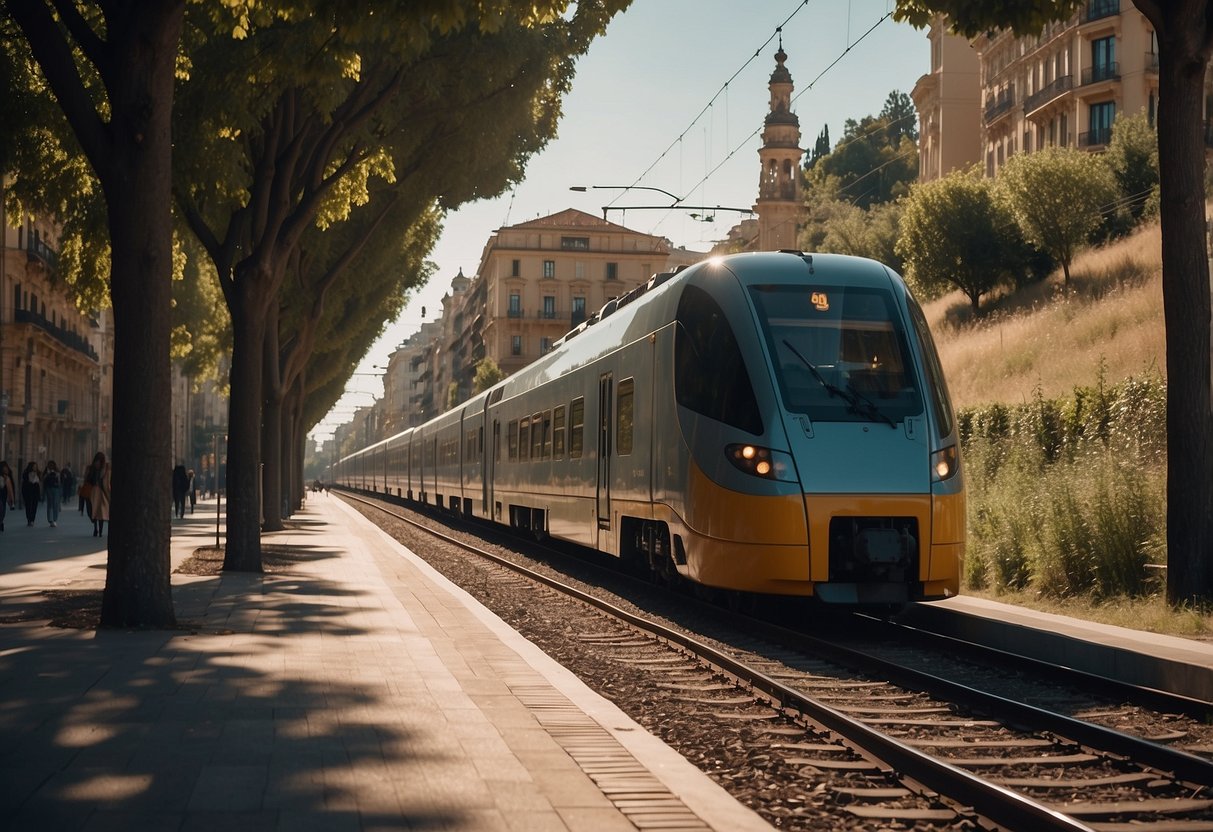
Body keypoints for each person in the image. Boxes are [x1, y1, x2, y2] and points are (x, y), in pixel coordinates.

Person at [90, 452, 110, 538]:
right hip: (97, 492)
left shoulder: (100, 469)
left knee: (97, 512)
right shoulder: (102, 469)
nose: (97, 463)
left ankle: (97, 530)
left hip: (97, 492)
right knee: (98, 512)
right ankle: (98, 530)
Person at [42, 460, 62, 528]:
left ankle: (54, 520)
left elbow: (59, 481)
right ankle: (51, 520)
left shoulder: (57, 472)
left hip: (56, 488)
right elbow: (43, 479)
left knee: (55, 504)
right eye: (50, 465)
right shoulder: (46, 472)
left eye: (52, 465)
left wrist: (56, 474)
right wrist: (47, 474)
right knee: (50, 504)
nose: (51, 466)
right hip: (49, 489)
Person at [21, 462, 41, 527]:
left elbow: (40, 481)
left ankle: (32, 520)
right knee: (28, 505)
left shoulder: (38, 473)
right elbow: (24, 483)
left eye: (36, 466)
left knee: (34, 505)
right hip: (28, 491)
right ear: (31, 467)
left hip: (36, 490)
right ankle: (29, 519)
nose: (35, 467)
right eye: (34, 466)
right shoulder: (26, 473)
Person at [0, 461, 14, 532]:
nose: (5, 469)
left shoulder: (7, 477)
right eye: (4, 468)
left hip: (4, 494)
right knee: (1, 507)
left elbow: (10, 488)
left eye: (6, 468)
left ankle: (1, 522)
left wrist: (11, 499)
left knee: (3, 510)